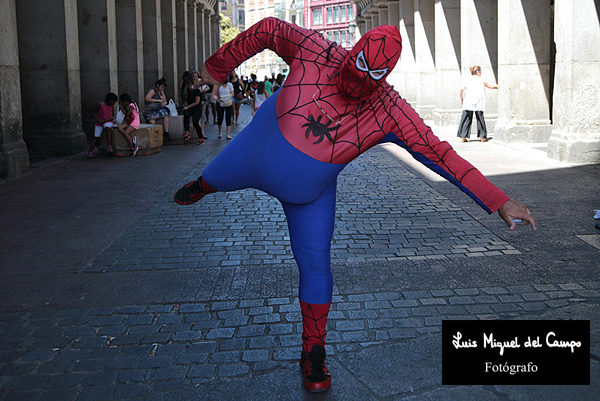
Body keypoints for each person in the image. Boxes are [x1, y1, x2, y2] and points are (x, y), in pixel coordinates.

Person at [174, 18, 536, 393]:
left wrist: (498, 200)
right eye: (359, 64)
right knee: (217, 175)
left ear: (385, 75)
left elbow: (438, 153)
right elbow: (268, 29)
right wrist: (215, 68)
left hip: (309, 196)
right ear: (353, 51)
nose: (361, 78)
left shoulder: (390, 108)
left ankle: (313, 349)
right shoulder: (318, 50)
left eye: (373, 73)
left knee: (316, 268)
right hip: (251, 154)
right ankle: (204, 184)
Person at [457, 65, 498, 142]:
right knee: (480, 118)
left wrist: (461, 98)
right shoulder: (481, 79)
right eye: (481, 71)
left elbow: (461, 90)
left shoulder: (467, 79)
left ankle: (463, 135)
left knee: (466, 118)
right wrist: (500, 86)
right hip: (479, 101)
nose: (481, 73)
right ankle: (482, 136)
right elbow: (491, 86)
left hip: (468, 101)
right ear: (478, 72)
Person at [88, 92, 117, 158]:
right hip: (99, 122)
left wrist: (106, 120)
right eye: (113, 101)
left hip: (108, 121)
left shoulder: (111, 107)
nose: (114, 103)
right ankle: (90, 151)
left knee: (107, 128)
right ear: (109, 100)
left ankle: (109, 145)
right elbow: (94, 112)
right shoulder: (100, 104)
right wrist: (98, 119)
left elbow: (113, 116)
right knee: (96, 136)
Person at [182, 76, 204, 145]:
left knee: (195, 121)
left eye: (186, 84)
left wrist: (187, 106)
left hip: (197, 108)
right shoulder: (188, 91)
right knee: (186, 115)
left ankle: (201, 138)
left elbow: (197, 102)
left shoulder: (196, 91)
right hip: (190, 107)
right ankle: (186, 132)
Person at [117, 93, 140, 157]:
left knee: (126, 133)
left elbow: (127, 114)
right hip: (130, 121)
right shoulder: (130, 105)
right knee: (119, 128)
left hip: (134, 122)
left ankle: (133, 148)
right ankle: (130, 139)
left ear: (125, 100)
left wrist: (122, 109)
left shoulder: (132, 105)